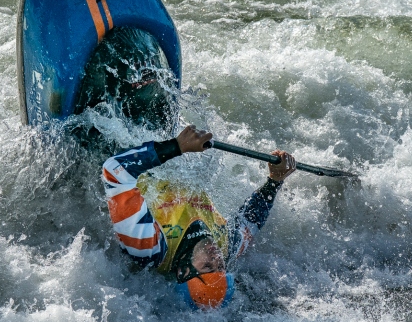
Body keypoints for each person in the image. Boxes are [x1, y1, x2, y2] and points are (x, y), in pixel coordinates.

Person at [102, 124, 297, 310]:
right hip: (163, 143)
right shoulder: (226, 246)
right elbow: (252, 220)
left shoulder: (148, 246)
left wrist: (177, 146)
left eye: (207, 265)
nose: (216, 256)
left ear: (184, 271)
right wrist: (275, 180)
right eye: (221, 265)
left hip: (113, 142)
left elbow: (114, 171)